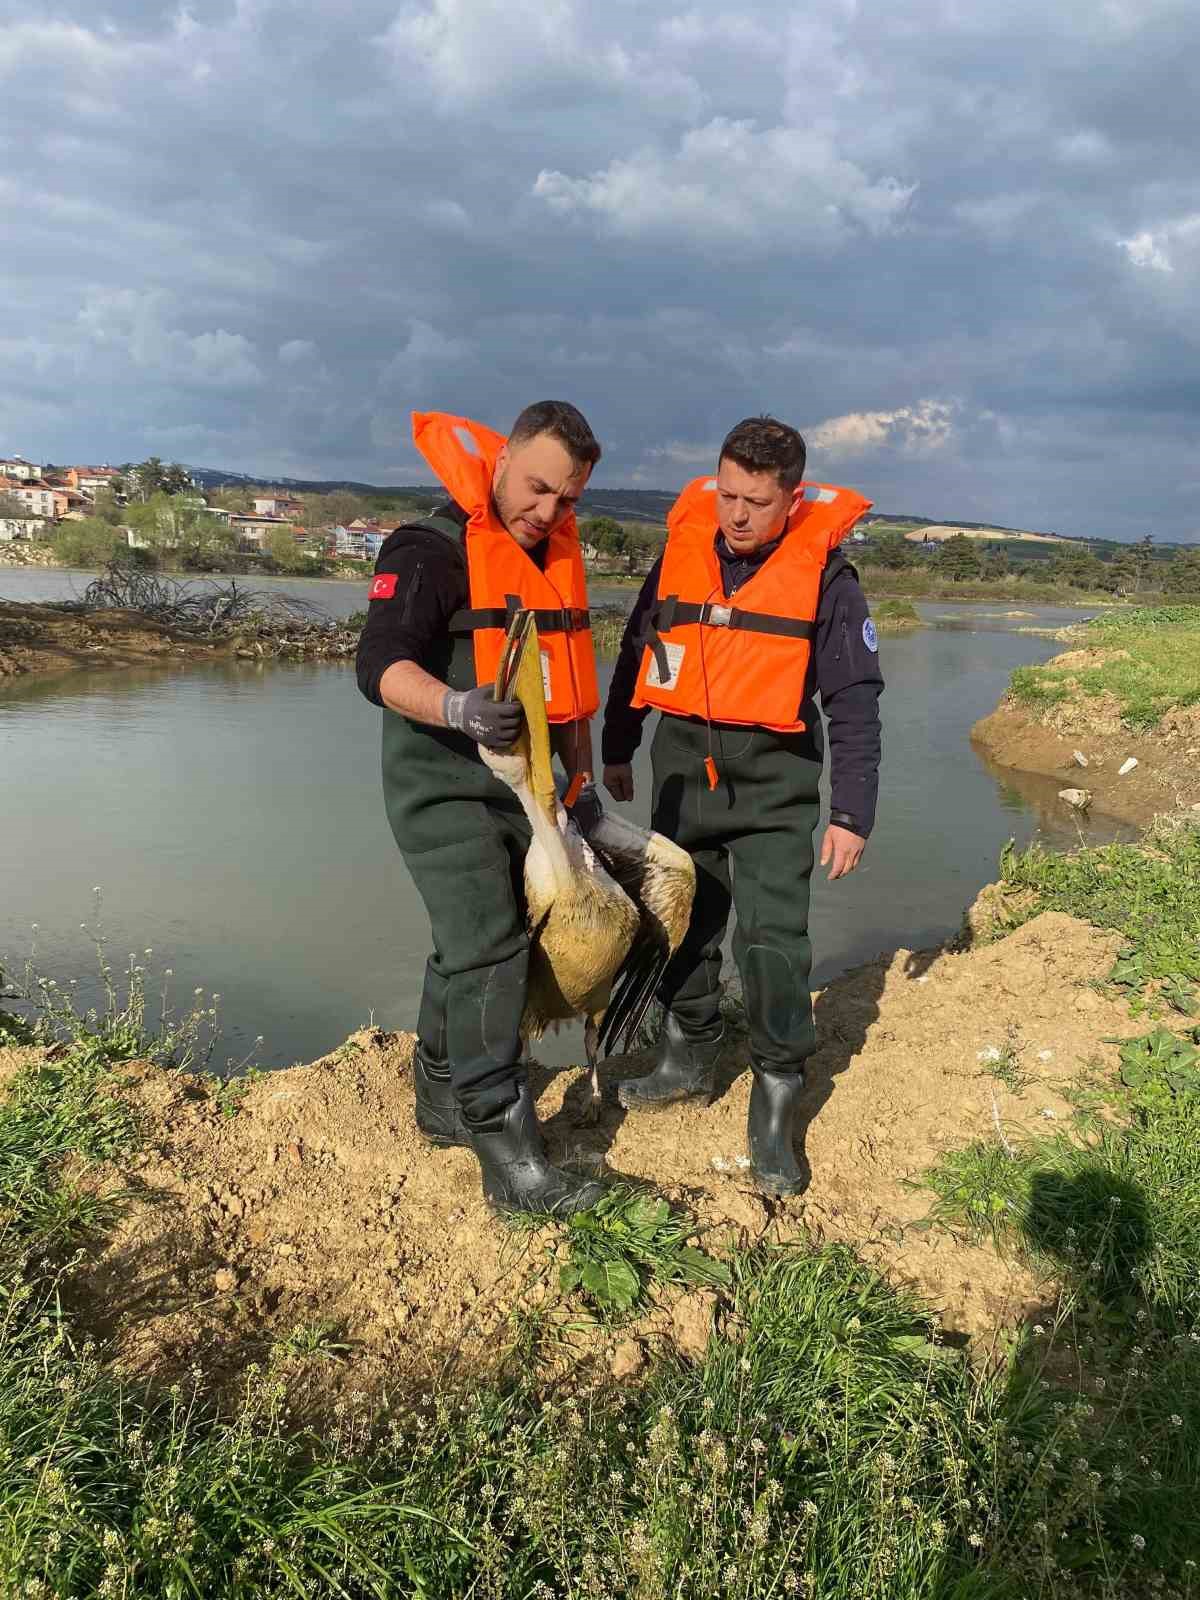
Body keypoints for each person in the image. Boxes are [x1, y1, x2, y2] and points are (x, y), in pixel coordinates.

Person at [600, 415, 884, 1196]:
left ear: (792, 498)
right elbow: (635, 650)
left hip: (774, 789)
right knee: (677, 923)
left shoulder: (830, 581)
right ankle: (688, 1049)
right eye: (726, 495)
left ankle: (777, 1089)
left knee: (772, 942)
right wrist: (618, 745)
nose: (736, 514)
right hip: (682, 774)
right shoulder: (681, 553)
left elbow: (855, 703)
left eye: (756, 501)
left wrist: (851, 813)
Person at [355, 402, 608, 1216]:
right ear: (500, 462)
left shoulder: (550, 559)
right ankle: (508, 1155)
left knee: (466, 946)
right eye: (536, 488)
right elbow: (378, 667)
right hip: (440, 786)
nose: (546, 512)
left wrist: (581, 782)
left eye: (566, 501)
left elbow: (566, 690)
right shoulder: (427, 549)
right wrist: (458, 708)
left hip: (521, 791)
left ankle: (438, 1096)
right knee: (492, 948)